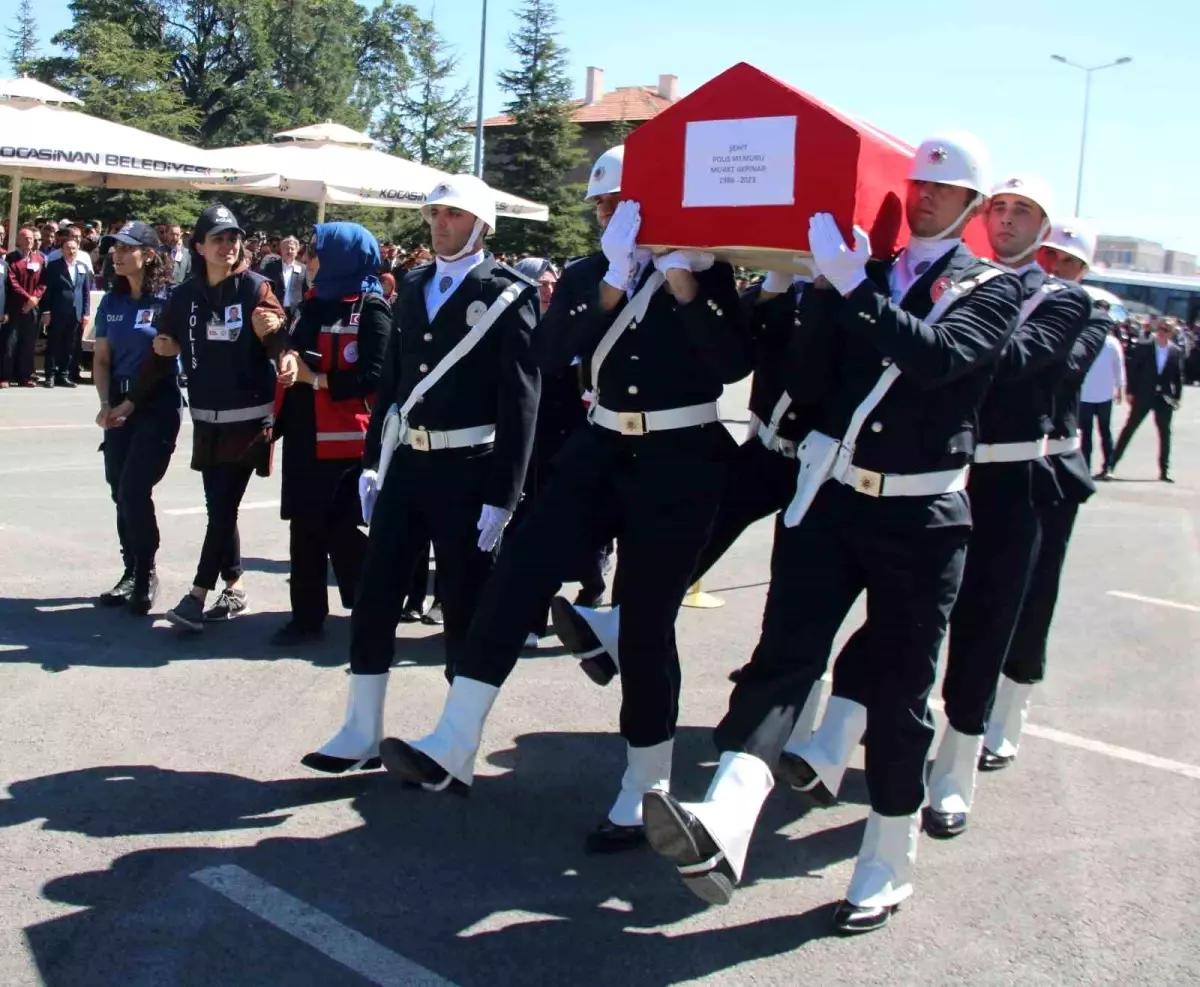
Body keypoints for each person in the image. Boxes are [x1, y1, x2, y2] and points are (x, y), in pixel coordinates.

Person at [638, 134, 1022, 934]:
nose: (923, 198)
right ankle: (729, 816)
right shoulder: (865, 274)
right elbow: (808, 383)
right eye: (918, 184)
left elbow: (937, 360)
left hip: (921, 516)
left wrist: (852, 292)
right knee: (783, 659)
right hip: (834, 495)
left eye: (943, 191)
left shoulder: (990, 289)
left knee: (901, 690)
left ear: (972, 208)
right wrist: (807, 292)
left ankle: (887, 858)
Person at [370, 165, 750, 859]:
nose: (607, 211)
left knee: (644, 618)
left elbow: (728, 362)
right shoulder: (585, 273)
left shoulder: (704, 269)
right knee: (517, 571)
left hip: (682, 453)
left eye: (618, 200)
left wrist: (684, 280)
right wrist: (612, 278)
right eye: (601, 202)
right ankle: (455, 738)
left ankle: (646, 782)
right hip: (601, 444)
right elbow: (549, 353)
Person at [302, 174, 540, 774]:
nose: (440, 223)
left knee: (463, 603)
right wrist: (372, 464)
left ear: (482, 225)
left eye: (454, 215)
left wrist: (504, 493)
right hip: (407, 461)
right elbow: (394, 383)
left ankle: (454, 744)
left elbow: (521, 401)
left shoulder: (510, 292)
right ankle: (361, 730)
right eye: (435, 213)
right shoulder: (412, 286)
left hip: (469, 465)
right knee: (377, 592)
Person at [981, 220, 1111, 770]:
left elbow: (1068, 365)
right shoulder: (1008, 288)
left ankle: (1008, 712)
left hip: (1051, 469)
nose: (1055, 268)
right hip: (992, 462)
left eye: (1068, 262)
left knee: (1034, 597)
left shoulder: (1089, 308)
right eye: (1049, 256)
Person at [148, 204, 287, 631]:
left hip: (250, 421)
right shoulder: (184, 295)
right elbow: (163, 344)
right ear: (199, 247)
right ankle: (236, 586)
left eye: (233, 238)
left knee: (223, 507)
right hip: (208, 420)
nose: (228, 245)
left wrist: (278, 340)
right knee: (219, 507)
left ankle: (196, 595)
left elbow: (282, 337)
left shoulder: (256, 288)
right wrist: (136, 393)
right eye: (218, 239)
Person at [270, 223, 391, 645]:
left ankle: (369, 611)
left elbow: (375, 376)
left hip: (345, 441)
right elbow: (292, 345)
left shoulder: (372, 307)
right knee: (303, 528)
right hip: (304, 434)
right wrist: (287, 359)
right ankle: (305, 617)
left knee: (343, 530)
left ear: (342, 257)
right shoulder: (309, 304)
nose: (307, 260)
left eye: (315, 253)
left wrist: (318, 380)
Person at [91, 222, 183, 614]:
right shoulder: (111, 303)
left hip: (157, 403)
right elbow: (101, 358)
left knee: (133, 488)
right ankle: (130, 568)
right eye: (115, 249)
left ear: (149, 254)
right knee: (117, 489)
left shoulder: (168, 299)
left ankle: (146, 573)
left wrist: (132, 403)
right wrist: (105, 404)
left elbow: (165, 359)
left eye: (127, 248)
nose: (118, 255)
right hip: (119, 401)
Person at [1109, 318, 1184, 482]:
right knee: (1130, 428)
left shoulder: (1175, 351)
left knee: (1165, 434)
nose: (1162, 332)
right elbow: (1133, 369)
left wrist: (1177, 397)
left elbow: (1178, 376)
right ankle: (1110, 465)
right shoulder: (1145, 347)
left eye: (1166, 330)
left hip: (1164, 397)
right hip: (1144, 394)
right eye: (1160, 329)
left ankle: (1164, 471)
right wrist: (1130, 391)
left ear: (1171, 333)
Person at [39, 229, 92, 388]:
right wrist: (46, 311)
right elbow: (47, 290)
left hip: (75, 313)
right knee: (54, 344)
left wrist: (86, 313)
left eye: (74, 248)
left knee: (70, 345)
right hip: (57, 312)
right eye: (68, 248)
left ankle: (64, 374)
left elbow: (85, 292)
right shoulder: (54, 266)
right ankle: (50, 375)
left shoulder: (82, 267)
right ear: (62, 250)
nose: (71, 251)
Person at [1080, 302, 1127, 478]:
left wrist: (1120, 389)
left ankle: (1108, 466)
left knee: (1104, 432)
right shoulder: (1084, 337)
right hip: (1085, 394)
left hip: (1104, 395)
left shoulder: (1112, 343)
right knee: (1085, 434)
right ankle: (1084, 466)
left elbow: (1119, 367)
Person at [3, 227, 46, 387]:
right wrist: (28, 298)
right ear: (19, 241)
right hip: (15, 307)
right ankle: (5, 376)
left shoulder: (39, 259)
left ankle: (25, 376)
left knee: (28, 343)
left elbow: (43, 282)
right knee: (10, 342)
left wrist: (35, 298)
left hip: (32, 308)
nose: (30, 241)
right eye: (26, 238)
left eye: (31, 238)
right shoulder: (11, 259)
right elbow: (12, 282)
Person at [262, 236, 307, 320]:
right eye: (286, 248)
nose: (289, 251)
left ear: (297, 251)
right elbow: (265, 288)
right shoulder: (270, 267)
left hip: (296, 313)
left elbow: (306, 290)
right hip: (275, 311)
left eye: (292, 249)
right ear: (281, 250)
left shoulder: (303, 269)